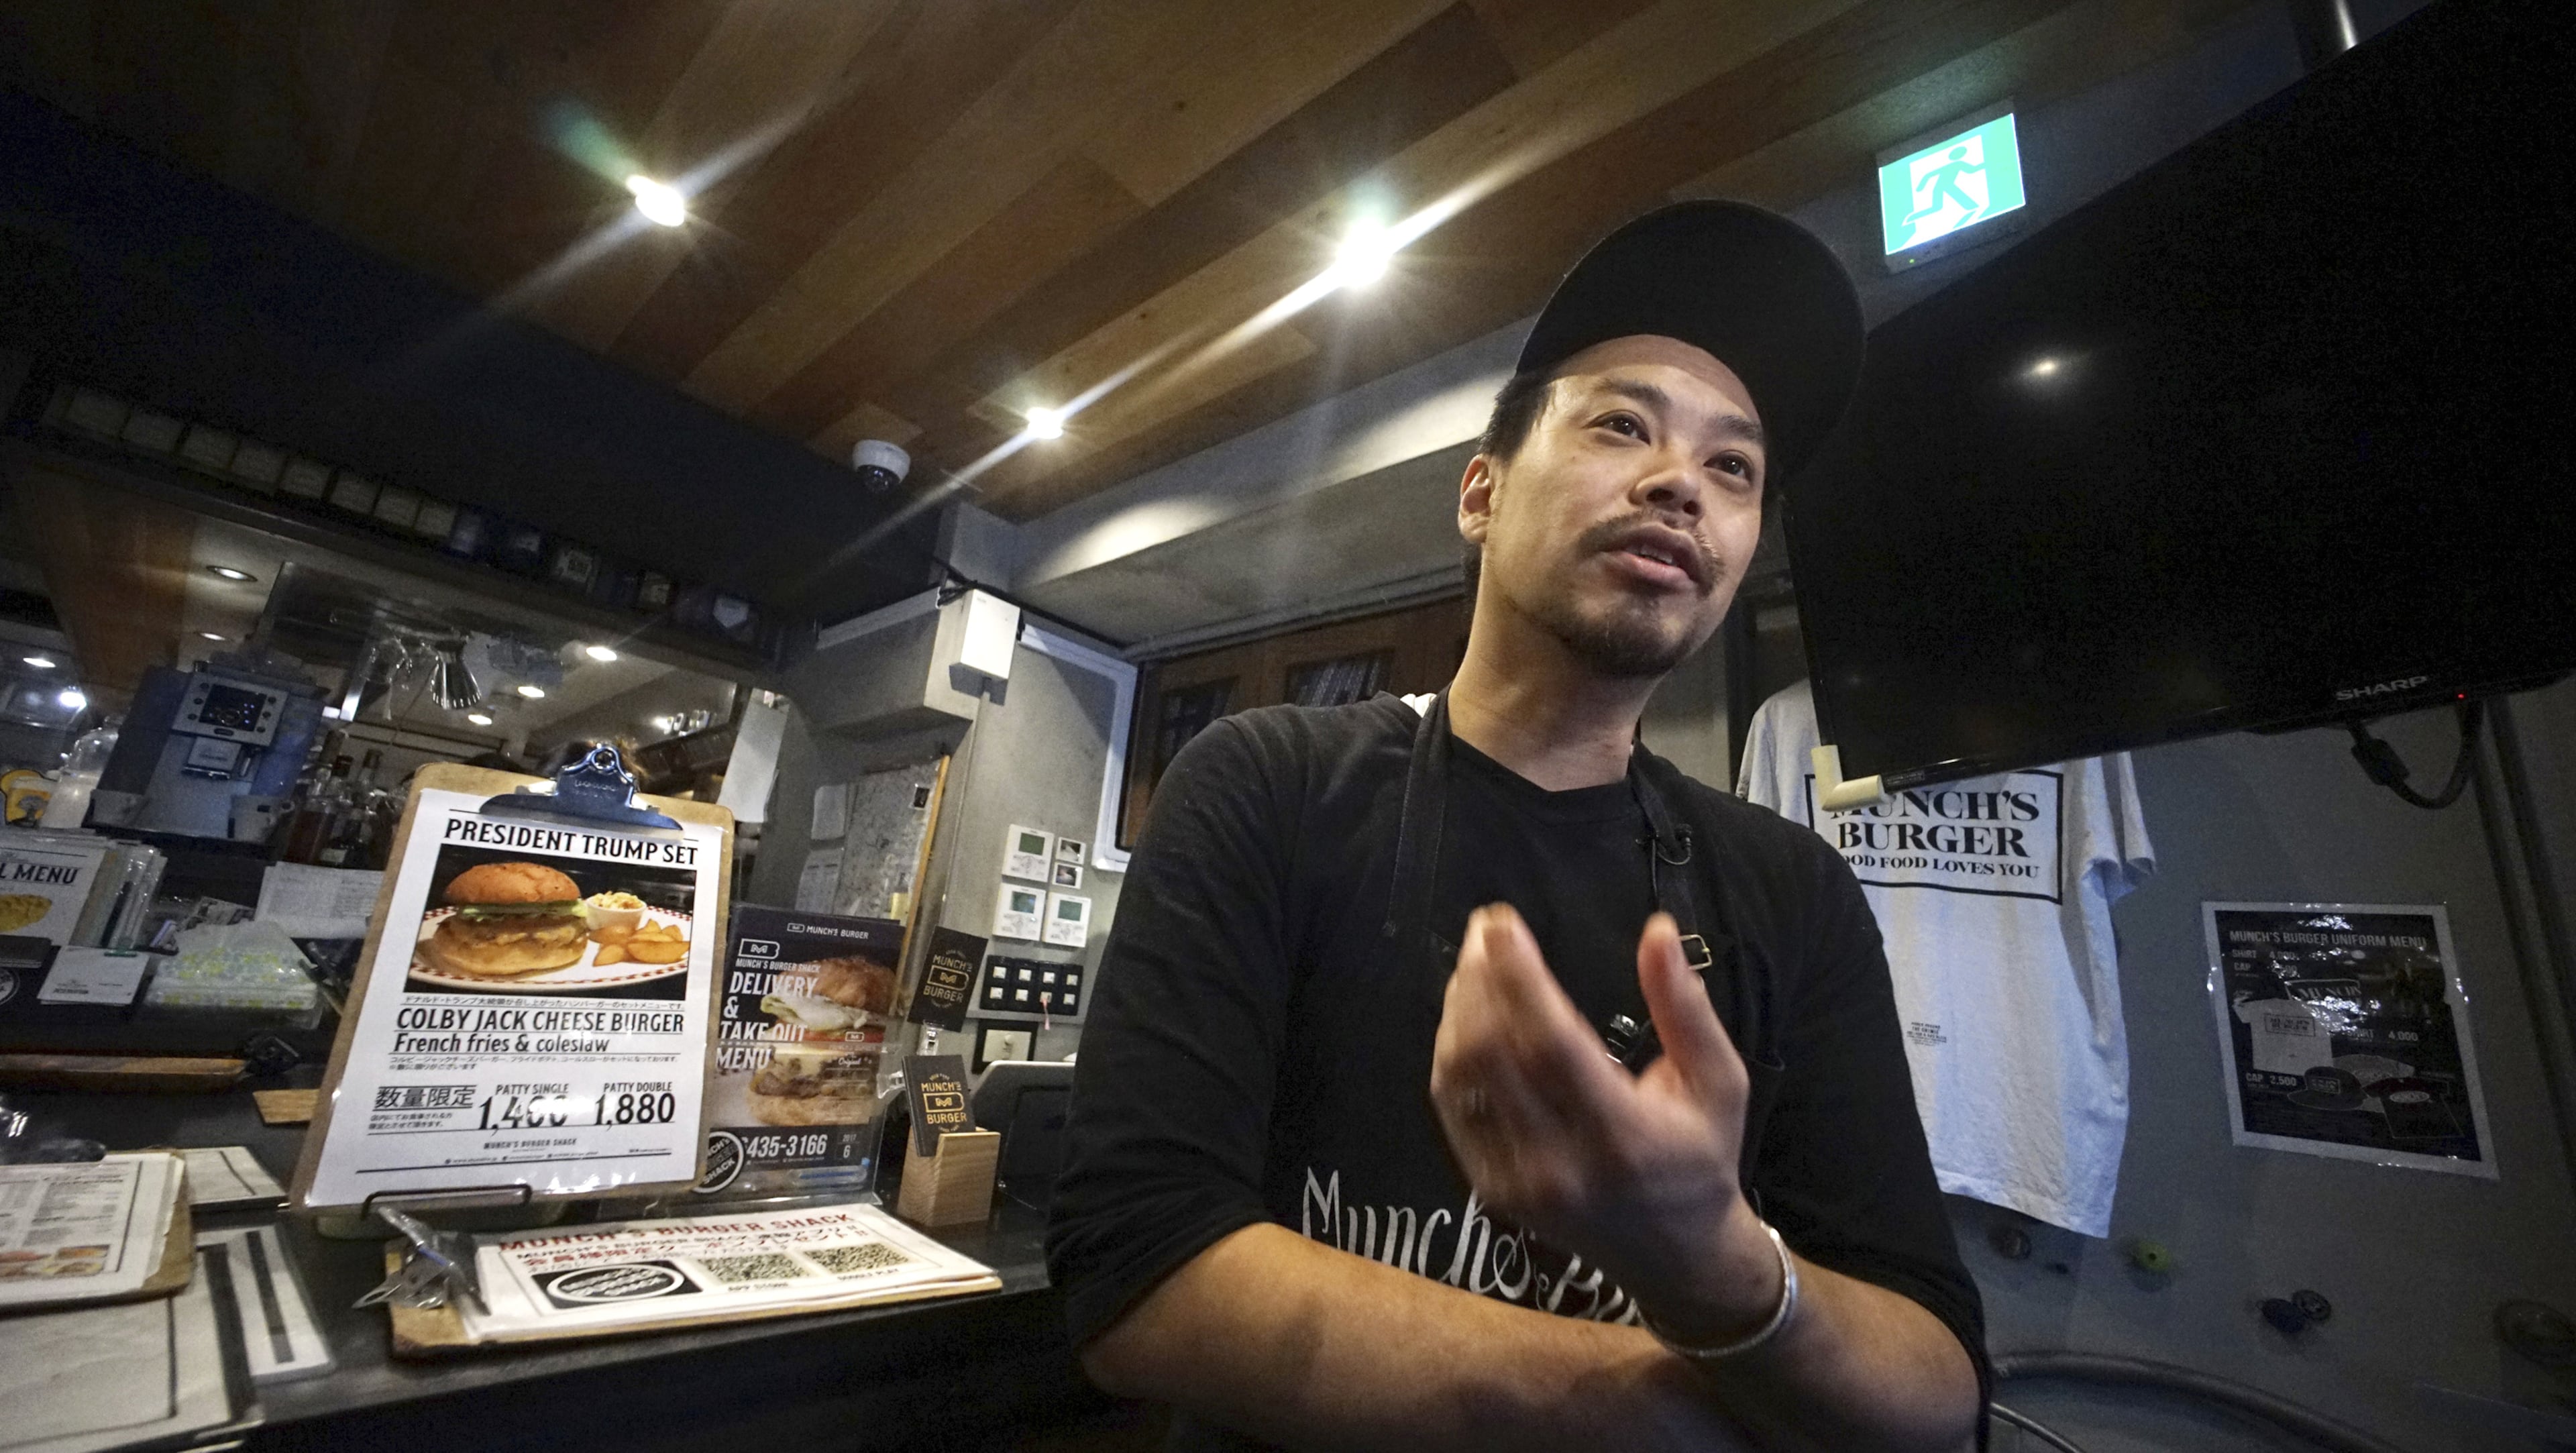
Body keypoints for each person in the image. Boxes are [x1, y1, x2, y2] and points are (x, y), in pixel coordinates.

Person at [1048, 201, 1988, 1452]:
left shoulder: (1792, 888)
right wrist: (1711, 1407)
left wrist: (1720, 1266)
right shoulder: (1265, 781)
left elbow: (1937, 1381)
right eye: (1622, 423)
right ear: (1481, 493)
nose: (1679, 483)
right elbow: (1141, 1275)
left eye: (1734, 468)